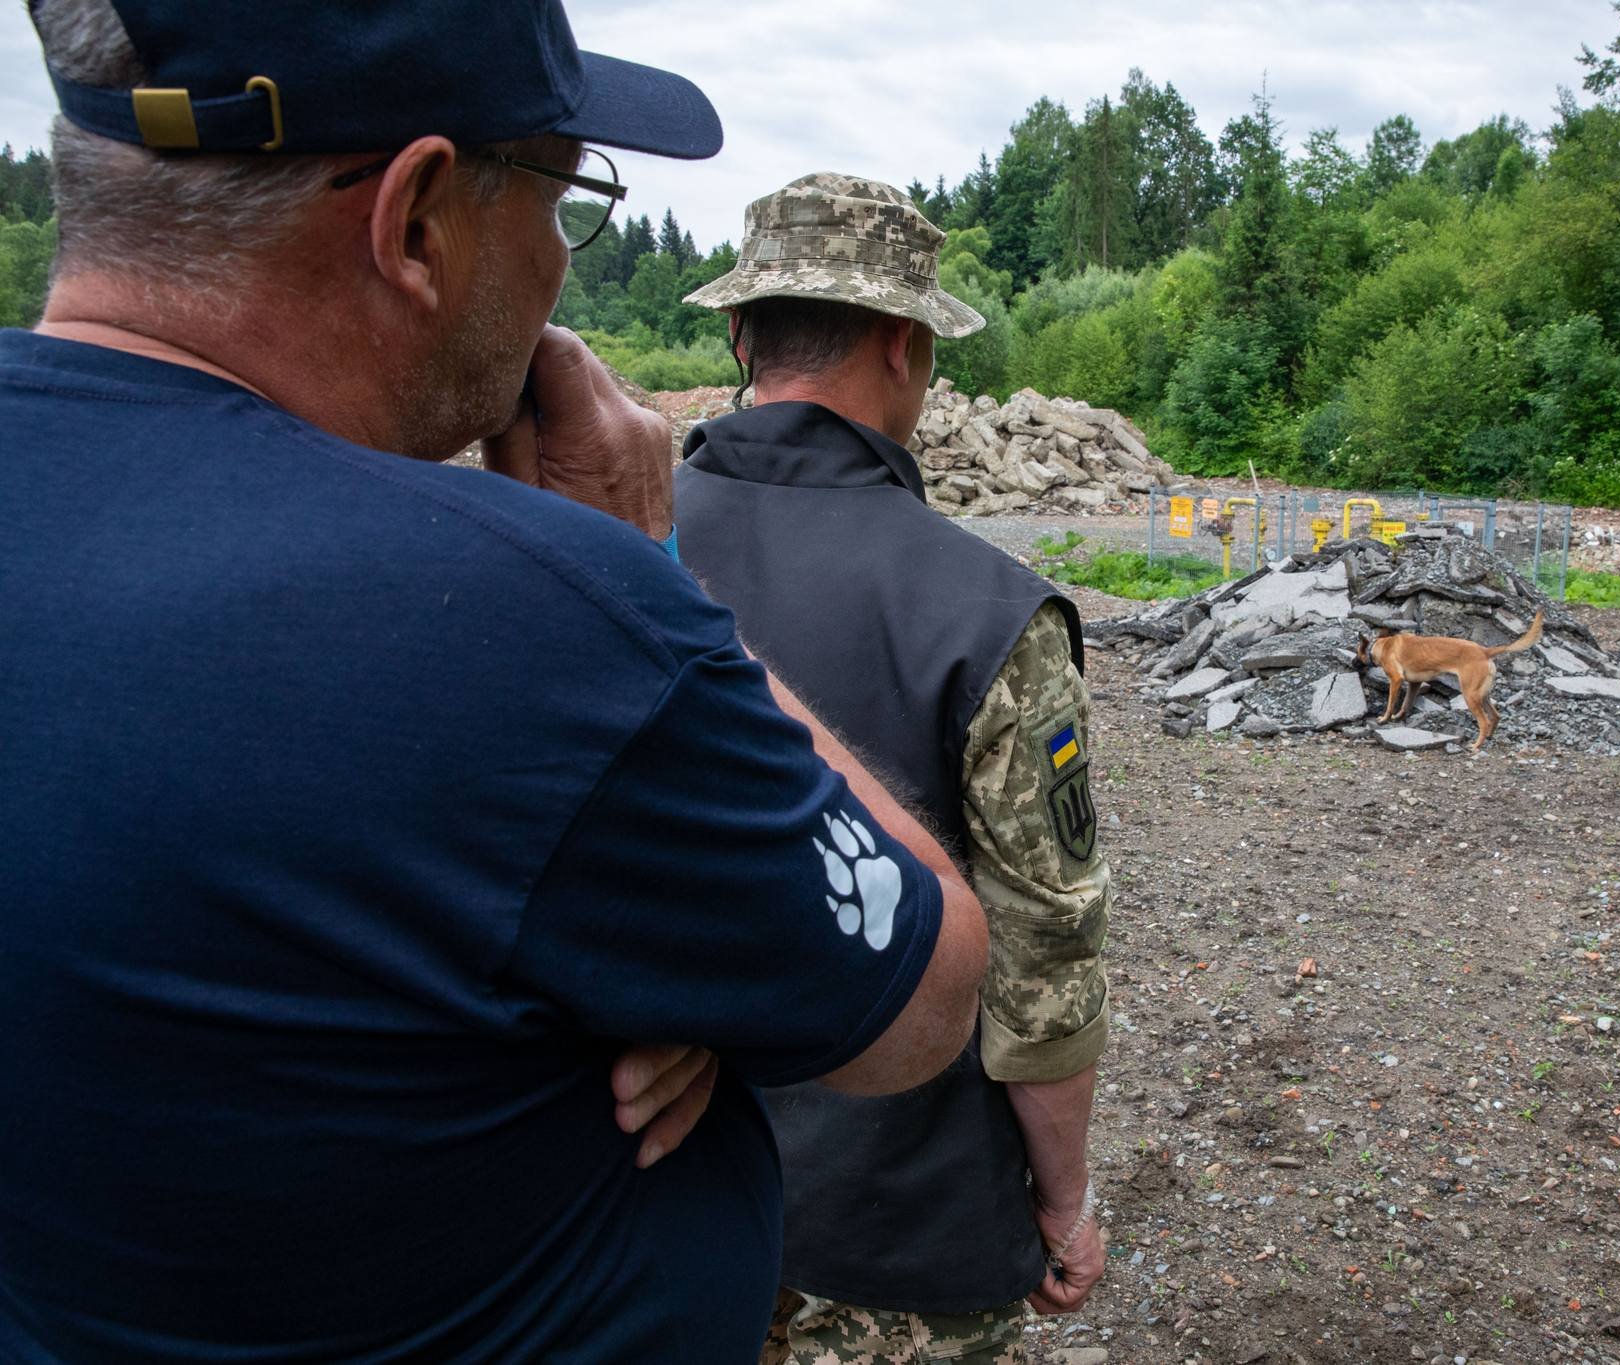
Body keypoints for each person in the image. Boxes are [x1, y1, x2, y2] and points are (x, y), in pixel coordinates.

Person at [0, 4, 990, 1360]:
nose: (557, 271)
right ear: (416, 220)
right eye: (559, 191)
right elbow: (927, 990)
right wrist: (645, 572)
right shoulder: (548, 623)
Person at [673, 174, 1113, 1365]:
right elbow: (1045, 954)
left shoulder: (612, 543)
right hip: (900, 1227)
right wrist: (1064, 1199)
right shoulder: (988, 613)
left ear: (737, 334)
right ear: (907, 347)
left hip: (647, 1215)